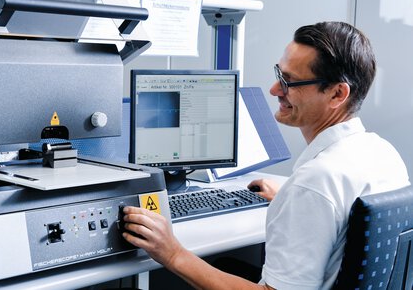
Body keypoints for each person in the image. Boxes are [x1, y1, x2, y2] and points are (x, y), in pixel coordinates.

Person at [122, 21, 410, 290]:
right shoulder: (382, 153)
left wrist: (172, 253)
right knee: (226, 265)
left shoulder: (315, 184)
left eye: (289, 81)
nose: (274, 89)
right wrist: (290, 195)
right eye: (278, 74)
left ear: (337, 94)